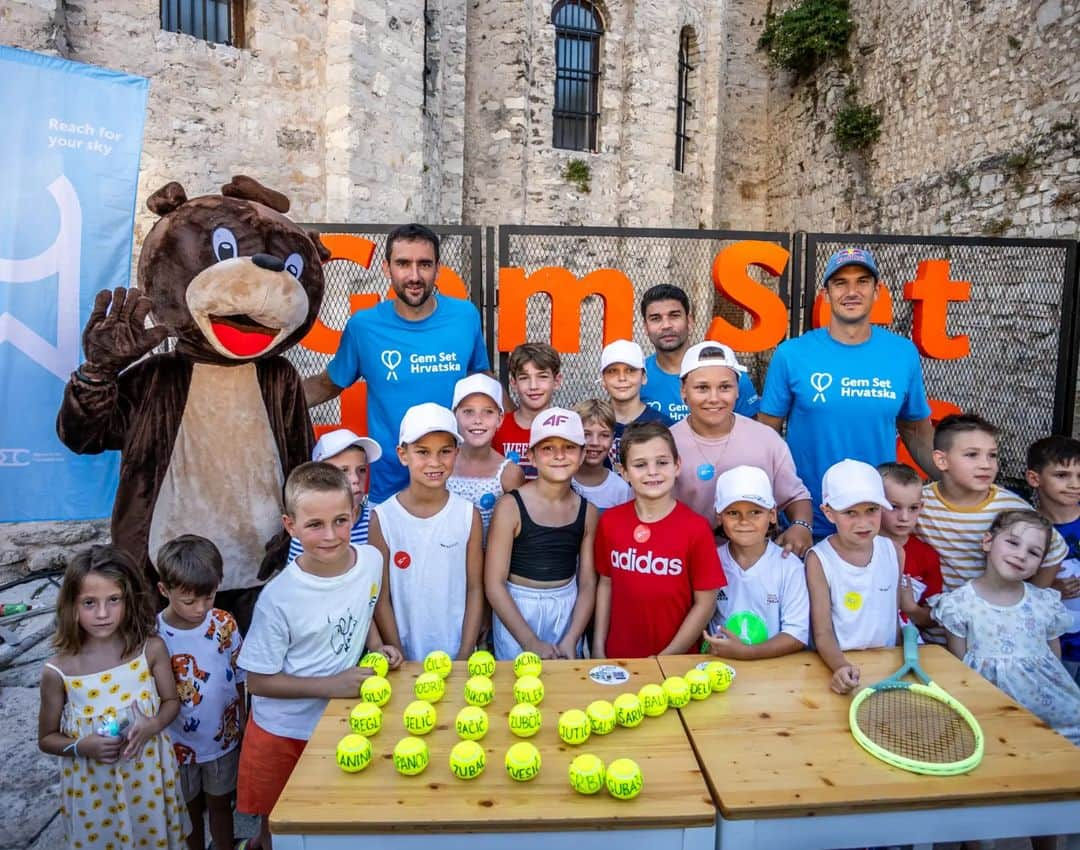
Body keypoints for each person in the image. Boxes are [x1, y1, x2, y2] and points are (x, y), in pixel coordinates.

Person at [237, 462, 402, 850]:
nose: (330, 536)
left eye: (341, 521)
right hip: (282, 733)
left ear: (355, 515)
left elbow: (367, 605)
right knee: (277, 831)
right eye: (314, 525)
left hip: (339, 723)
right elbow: (257, 681)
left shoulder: (371, 562)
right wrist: (333, 685)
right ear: (290, 525)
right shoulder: (278, 599)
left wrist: (379, 647)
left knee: (329, 822)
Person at [302, 223, 489, 504]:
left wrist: (528, 420)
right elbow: (327, 384)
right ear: (387, 268)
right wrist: (265, 401)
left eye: (424, 264)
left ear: (438, 268)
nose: (414, 276)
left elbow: (483, 382)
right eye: (403, 264)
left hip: (456, 484)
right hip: (389, 489)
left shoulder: (465, 316)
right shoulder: (363, 327)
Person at [758, 247, 935, 539]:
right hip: (809, 520)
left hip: (875, 521)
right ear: (826, 294)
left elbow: (916, 430)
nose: (851, 291)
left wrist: (954, 483)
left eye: (862, 281)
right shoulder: (791, 354)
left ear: (877, 291)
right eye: (840, 283)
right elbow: (766, 436)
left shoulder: (902, 353)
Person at [38, 546, 190, 849]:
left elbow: (172, 702)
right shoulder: (59, 671)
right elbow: (47, 739)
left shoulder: (150, 649)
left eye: (113, 600)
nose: (103, 613)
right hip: (94, 792)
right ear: (71, 605)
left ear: (129, 598)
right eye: (89, 603)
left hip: (148, 780)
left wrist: (153, 724)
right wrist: (83, 746)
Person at [916, 414, 1069, 646]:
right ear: (941, 460)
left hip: (996, 639)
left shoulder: (1012, 507)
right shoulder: (919, 504)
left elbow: (1054, 549)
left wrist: (1026, 603)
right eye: (972, 455)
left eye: (992, 455)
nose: (986, 464)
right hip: (933, 636)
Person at [933, 509, 1080, 748]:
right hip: (991, 710)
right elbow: (959, 665)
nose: (1020, 555)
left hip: (1053, 710)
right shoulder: (958, 604)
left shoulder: (1044, 602)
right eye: (1012, 543)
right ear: (988, 541)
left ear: (1039, 565)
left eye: (1033, 552)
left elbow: (1055, 660)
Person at [592, 421, 725, 658]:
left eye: (662, 463)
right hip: (619, 658)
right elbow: (606, 583)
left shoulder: (696, 528)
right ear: (624, 472)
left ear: (677, 466)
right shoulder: (610, 522)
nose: (652, 472)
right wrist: (599, 646)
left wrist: (667, 656)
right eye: (640, 465)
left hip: (675, 663)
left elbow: (705, 603)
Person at [671, 341, 814, 556]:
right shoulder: (667, 443)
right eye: (702, 388)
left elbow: (795, 497)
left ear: (738, 390)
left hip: (754, 560)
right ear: (684, 390)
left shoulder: (765, 439)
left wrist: (801, 526)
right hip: (686, 558)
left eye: (725, 387)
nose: (714, 398)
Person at [369, 403, 485, 660]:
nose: (435, 462)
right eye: (422, 452)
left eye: (444, 451)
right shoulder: (383, 519)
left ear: (457, 452)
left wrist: (465, 653)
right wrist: (398, 652)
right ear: (402, 454)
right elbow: (381, 598)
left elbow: (475, 589)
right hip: (405, 660)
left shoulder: (468, 516)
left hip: (457, 656)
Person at [485, 408, 598, 660]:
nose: (559, 456)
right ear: (532, 457)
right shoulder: (510, 507)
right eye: (547, 448)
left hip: (566, 612)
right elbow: (494, 583)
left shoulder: (587, 512)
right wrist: (529, 641)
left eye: (569, 447)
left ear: (582, 455)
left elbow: (588, 583)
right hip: (517, 613)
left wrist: (572, 638)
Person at [155, 535, 245, 850]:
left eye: (209, 597)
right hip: (177, 746)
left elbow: (240, 674)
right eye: (189, 601)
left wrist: (245, 722)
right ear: (164, 590)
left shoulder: (224, 623)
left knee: (221, 804)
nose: (201, 608)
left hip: (222, 740)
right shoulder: (155, 637)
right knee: (188, 810)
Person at [805, 459, 904, 695]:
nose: (863, 522)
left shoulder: (894, 552)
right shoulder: (818, 559)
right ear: (829, 513)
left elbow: (894, 615)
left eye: (872, 510)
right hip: (836, 668)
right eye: (850, 512)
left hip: (888, 667)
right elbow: (822, 632)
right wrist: (841, 667)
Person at [703, 465, 809, 660]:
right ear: (719, 516)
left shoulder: (789, 566)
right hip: (718, 665)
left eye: (755, 512)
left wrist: (746, 653)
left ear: (772, 515)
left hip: (773, 671)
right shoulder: (710, 560)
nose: (744, 521)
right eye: (733, 513)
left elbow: (796, 635)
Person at [638, 283, 760, 421]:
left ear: (689, 321)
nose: (666, 325)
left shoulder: (729, 374)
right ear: (645, 327)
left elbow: (753, 434)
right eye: (656, 318)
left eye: (674, 316)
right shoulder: (636, 379)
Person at [1026, 435, 1080, 684]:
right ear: (1035, 478)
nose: (1074, 484)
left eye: (1079, 476)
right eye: (1062, 475)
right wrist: (1051, 588)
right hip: (1052, 647)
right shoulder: (1023, 528)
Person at [447, 373, 526, 542]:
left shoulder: (509, 473)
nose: (477, 420)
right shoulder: (442, 465)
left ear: (500, 418)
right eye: (468, 411)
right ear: (455, 415)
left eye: (488, 412)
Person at [287, 428, 381, 563]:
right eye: (343, 471)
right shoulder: (307, 528)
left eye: (362, 470)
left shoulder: (377, 520)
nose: (355, 478)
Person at [877, 461, 943, 633]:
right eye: (894, 507)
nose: (904, 517)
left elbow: (933, 618)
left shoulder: (926, 556)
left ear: (921, 507)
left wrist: (911, 608)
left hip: (908, 647)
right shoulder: (856, 549)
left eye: (913, 508)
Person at [492, 342, 562, 480]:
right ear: (513, 382)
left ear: (557, 380)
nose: (533, 386)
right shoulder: (498, 428)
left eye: (542, 376)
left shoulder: (567, 427)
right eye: (524, 378)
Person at [598, 338, 672, 465]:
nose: (622, 378)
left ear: (643, 377)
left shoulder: (663, 425)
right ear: (603, 380)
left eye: (630, 370)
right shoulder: (592, 422)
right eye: (612, 371)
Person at [571, 398, 633, 511]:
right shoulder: (563, 481)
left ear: (613, 438)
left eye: (604, 435)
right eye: (586, 434)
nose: (595, 442)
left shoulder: (620, 489)